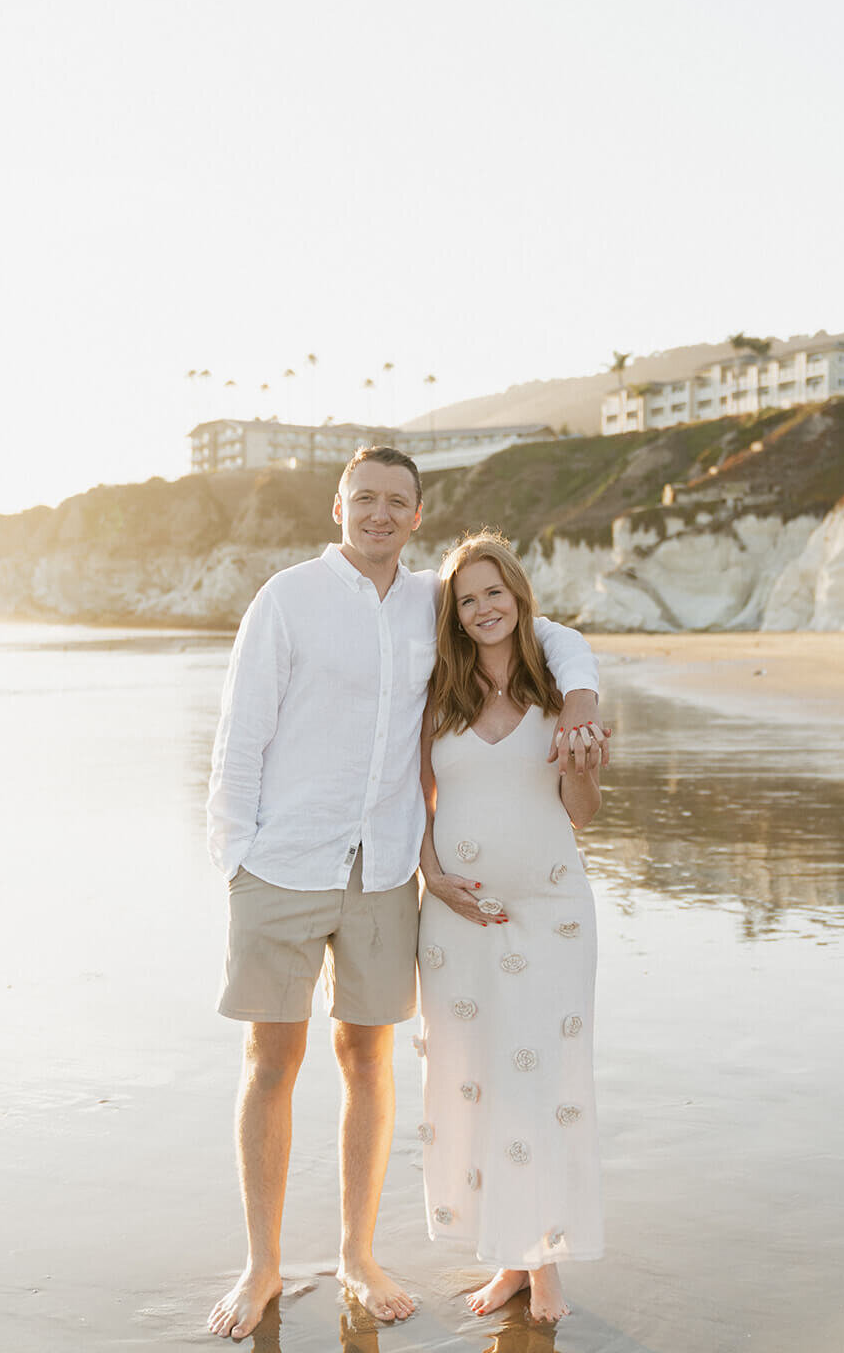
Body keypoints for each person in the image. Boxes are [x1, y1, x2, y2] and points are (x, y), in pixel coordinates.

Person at [206, 448, 606, 1342]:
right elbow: (239, 734)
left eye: (397, 502)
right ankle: (261, 1263)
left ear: (417, 516)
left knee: (367, 1060)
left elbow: (543, 630)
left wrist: (580, 696)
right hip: (284, 861)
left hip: (384, 868)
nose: (379, 514)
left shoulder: (435, 598)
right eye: (365, 499)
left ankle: (357, 1252)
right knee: (270, 1063)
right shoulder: (288, 598)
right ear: (338, 505)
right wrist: (233, 860)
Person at [417, 530, 604, 1327]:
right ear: (454, 617)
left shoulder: (559, 691)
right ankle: (507, 1260)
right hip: (457, 921)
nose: (483, 608)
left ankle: (546, 1262)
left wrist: (585, 766)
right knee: (477, 1085)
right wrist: (431, 874)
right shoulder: (438, 695)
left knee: (546, 1086)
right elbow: (413, 802)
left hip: (552, 912)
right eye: (467, 600)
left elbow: (580, 815)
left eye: (494, 593)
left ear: (519, 598)